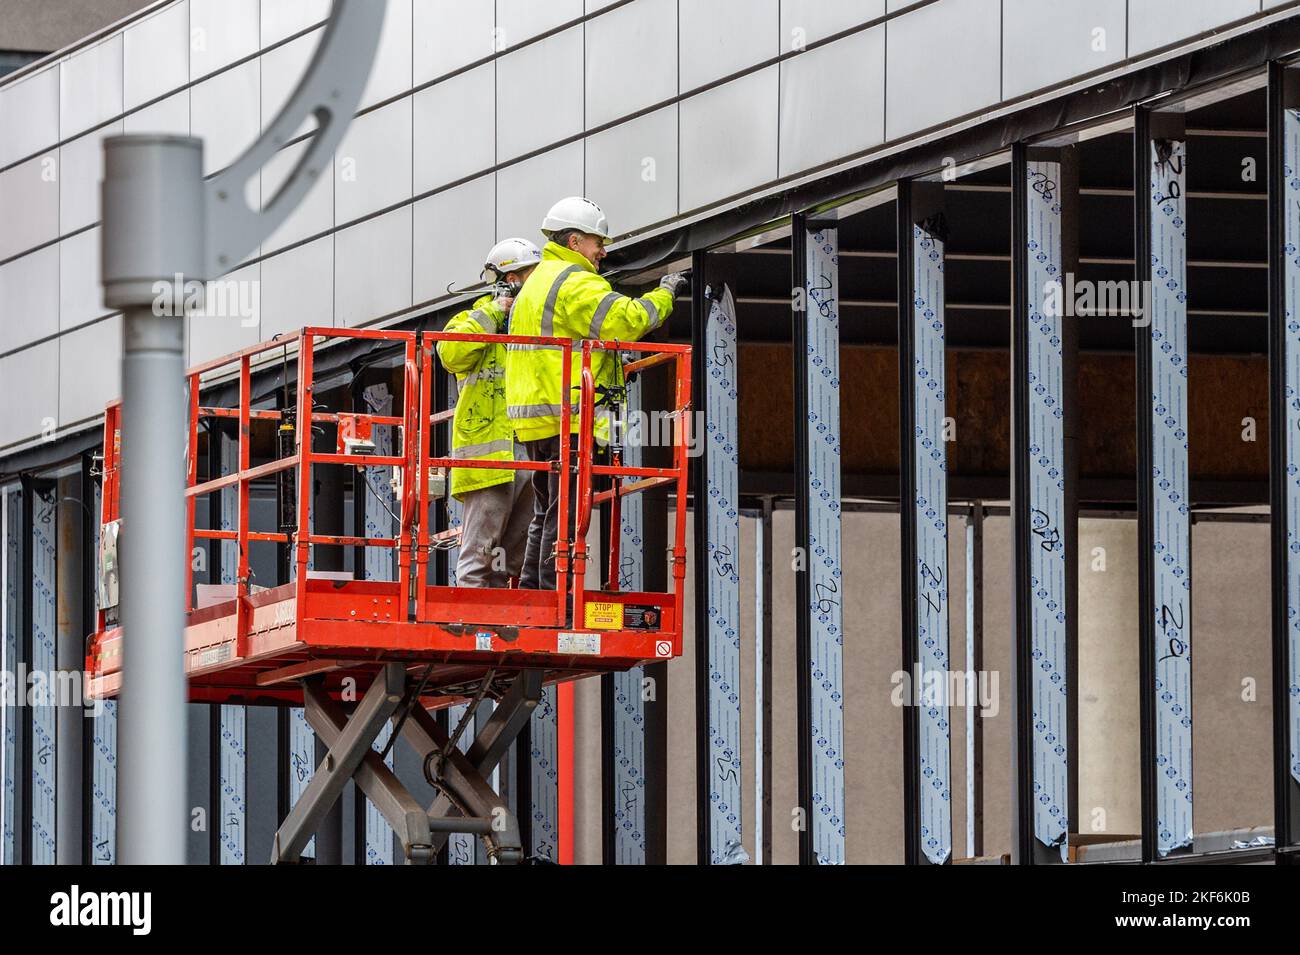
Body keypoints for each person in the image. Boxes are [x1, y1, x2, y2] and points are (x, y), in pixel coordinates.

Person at [505, 196, 687, 594]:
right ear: (574, 241)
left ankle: (536, 590)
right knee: (567, 510)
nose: (602, 251)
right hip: (565, 415)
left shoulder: (536, 281)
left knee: (547, 510)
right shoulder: (574, 281)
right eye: (596, 241)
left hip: (534, 420)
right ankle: (553, 595)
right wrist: (665, 295)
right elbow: (625, 321)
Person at [436, 238, 542, 588]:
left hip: (527, 446)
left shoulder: (532, 320)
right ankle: (469, 624)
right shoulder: (475, 318)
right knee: (480, 553)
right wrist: (496, 311)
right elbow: (450, 353)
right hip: (488, 453)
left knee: (511, 557)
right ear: (504, 280)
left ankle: (498, 623)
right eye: (524, 276)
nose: (530, 283)